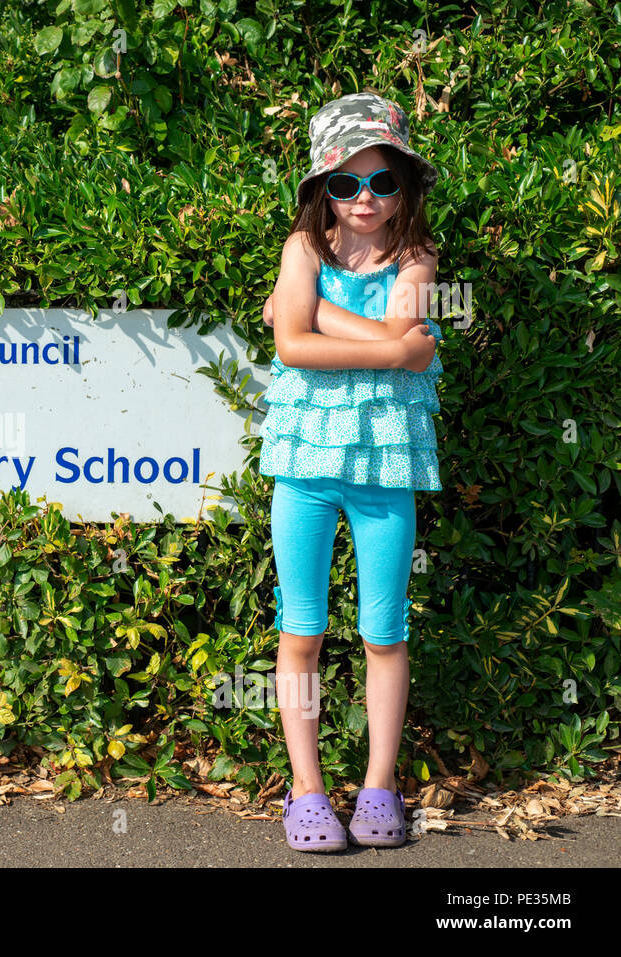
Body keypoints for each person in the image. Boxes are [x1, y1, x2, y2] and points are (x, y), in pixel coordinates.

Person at [257, 91, 445, 852]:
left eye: (380, 181)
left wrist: (303, 314)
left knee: (383, 632)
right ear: (319, 190)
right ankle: (306, 790)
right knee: (300, 629)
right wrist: (396, 350)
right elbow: (294, 350)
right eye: (344, 183)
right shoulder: (301, 250)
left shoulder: (417, 258)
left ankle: (378, 784)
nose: (363, 198)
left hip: (385, 470)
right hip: (303, 467)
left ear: (404, 186)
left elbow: (303, 331)